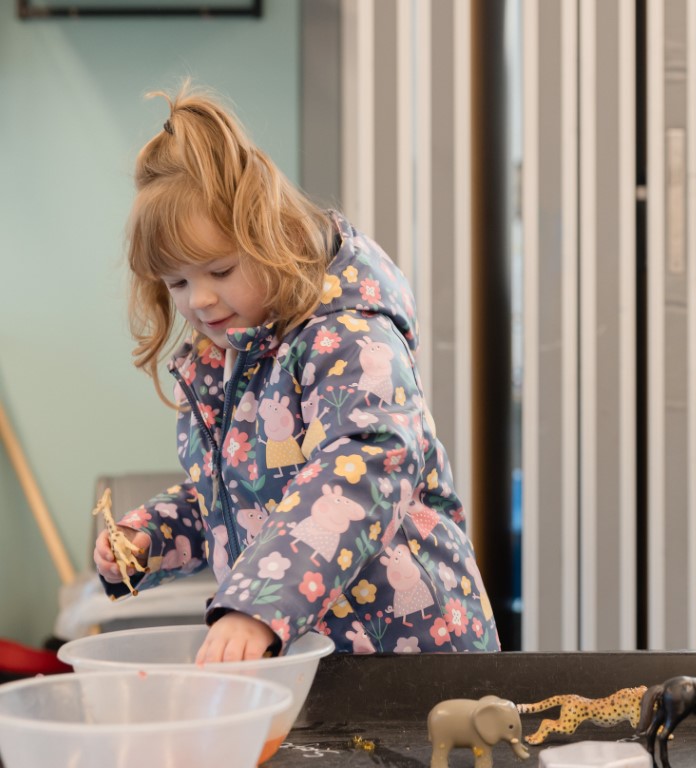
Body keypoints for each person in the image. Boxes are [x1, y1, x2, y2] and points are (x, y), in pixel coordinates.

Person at [93, 83, 500, 662]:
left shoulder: (350, 335)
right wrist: (151, 538)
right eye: (178, 282)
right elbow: (239, 498)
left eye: (220, 270)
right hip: (319, 656)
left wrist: (258, 606)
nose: (199, 299)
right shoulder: (229, 358)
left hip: (414, 657)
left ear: (273, 238)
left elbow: (361, 466)